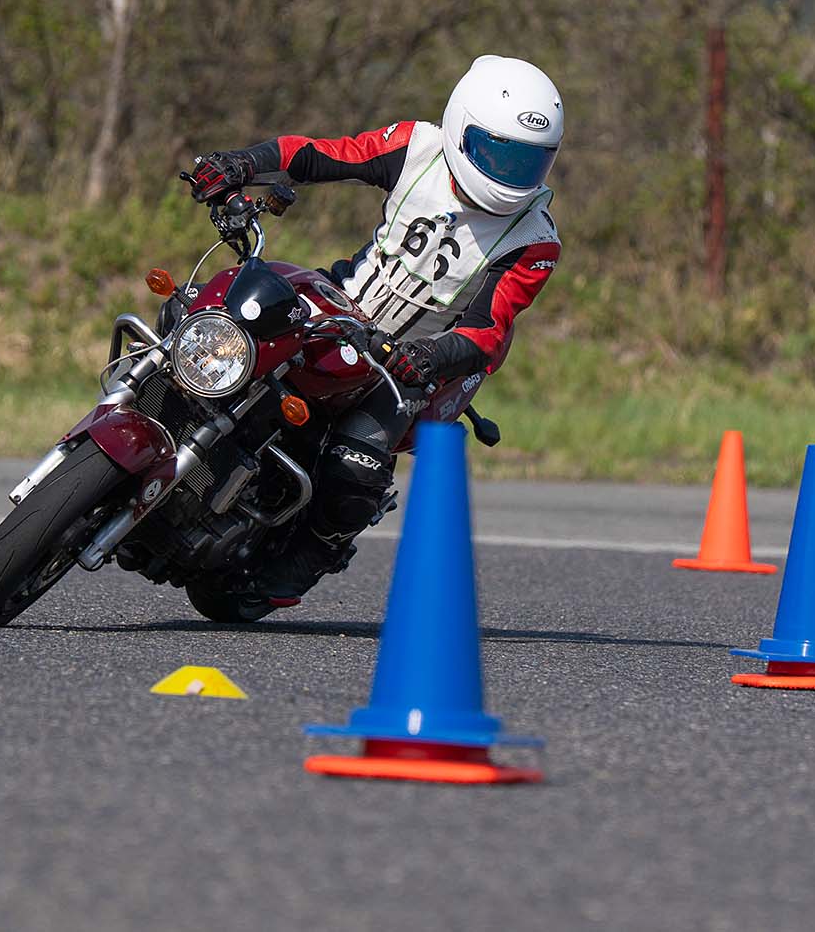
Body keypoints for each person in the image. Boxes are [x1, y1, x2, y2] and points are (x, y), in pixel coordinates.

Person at [186, 55, 564, 603]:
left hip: (413, 359)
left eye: (527, 162)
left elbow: (488, 330)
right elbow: (316, 155)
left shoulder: (535, 239)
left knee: (355, 460)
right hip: (338, 302)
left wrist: (429, 358)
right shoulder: (417, 147)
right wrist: (241, 164)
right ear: (460, 126)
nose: (509, 173)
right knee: (214, 307)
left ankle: (316, 550)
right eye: (497, 152)